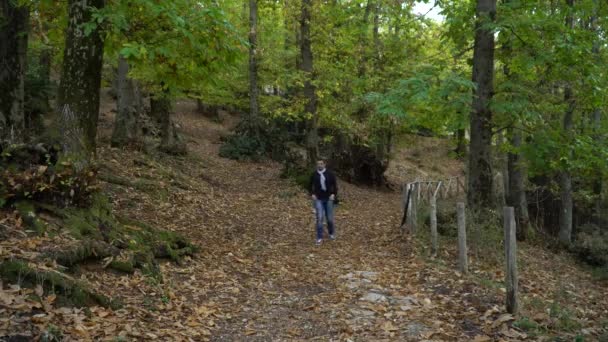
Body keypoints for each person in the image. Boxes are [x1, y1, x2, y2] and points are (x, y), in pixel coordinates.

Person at [309, 158, 338, 245]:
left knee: (329, 218)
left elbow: (335, 185)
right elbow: (309, 185)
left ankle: (331, 233)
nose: (319, 165)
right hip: (318, 199)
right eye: (318, 164)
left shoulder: (330, 174)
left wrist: (333, 194)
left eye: (321, 164)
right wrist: (312, 194)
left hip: (329, 198)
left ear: (324, 164)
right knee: (320, 218)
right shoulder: (314, 174)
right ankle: (319, 237)